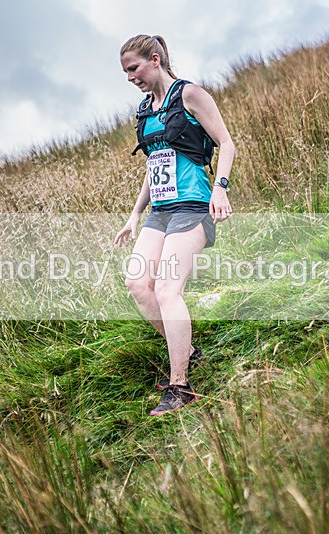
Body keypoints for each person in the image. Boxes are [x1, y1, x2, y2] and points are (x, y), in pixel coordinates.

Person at [114, 35, 235, 416]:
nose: (130, 77)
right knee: (137, 283)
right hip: (159, 212)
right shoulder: (144, 109)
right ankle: (189, 350)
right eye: (125, 72)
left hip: (194, 206)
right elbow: (155, 165)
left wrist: (221, 189)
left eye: (134, 68)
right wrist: (135, 214)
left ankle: (180, 386)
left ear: (155, 60)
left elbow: (227, 143)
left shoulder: (190, 95)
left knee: (167, 289)